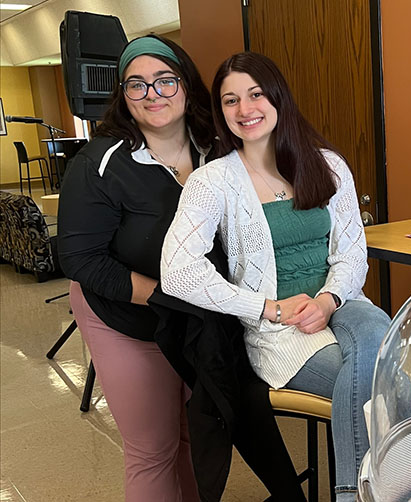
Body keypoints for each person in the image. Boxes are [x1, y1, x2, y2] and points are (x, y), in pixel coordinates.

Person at [161, 51, 391, 501]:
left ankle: (355, 493)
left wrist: (327, 300)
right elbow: (177, 271)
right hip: (279, 330)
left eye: (255, 94)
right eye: (230, 101)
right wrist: (265, 307)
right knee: (384, 382)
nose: (245, 110)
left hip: (341, 304)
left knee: (385, 343)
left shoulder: (326, 164)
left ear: (277, 97)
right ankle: (363, 493)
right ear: (220, 111)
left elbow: (352, 254)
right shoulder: (212, 182)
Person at [57, 36, 239, 501]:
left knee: (191, 433)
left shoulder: (218, 153)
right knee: (151, 448)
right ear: (123, 95)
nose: (152, 93)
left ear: (187, 84)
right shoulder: (99, 163)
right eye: (136, 85)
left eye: (164, 80)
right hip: (123, 314)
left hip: (195, 316)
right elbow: (80, 259)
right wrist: (169, 295)